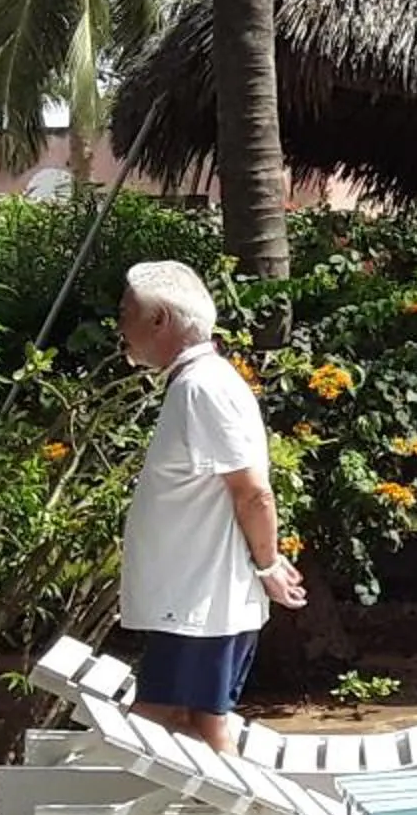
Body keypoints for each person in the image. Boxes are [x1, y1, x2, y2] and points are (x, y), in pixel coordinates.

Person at [115, 260, 304, 750]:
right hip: (192, 602)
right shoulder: (197, 383)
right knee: (188, 723)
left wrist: (268, 567)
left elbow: (252, 491)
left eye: (126, 312)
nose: (120, 326)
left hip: (199, 602)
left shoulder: (203, 387)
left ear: (160, 321)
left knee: (163, 725)